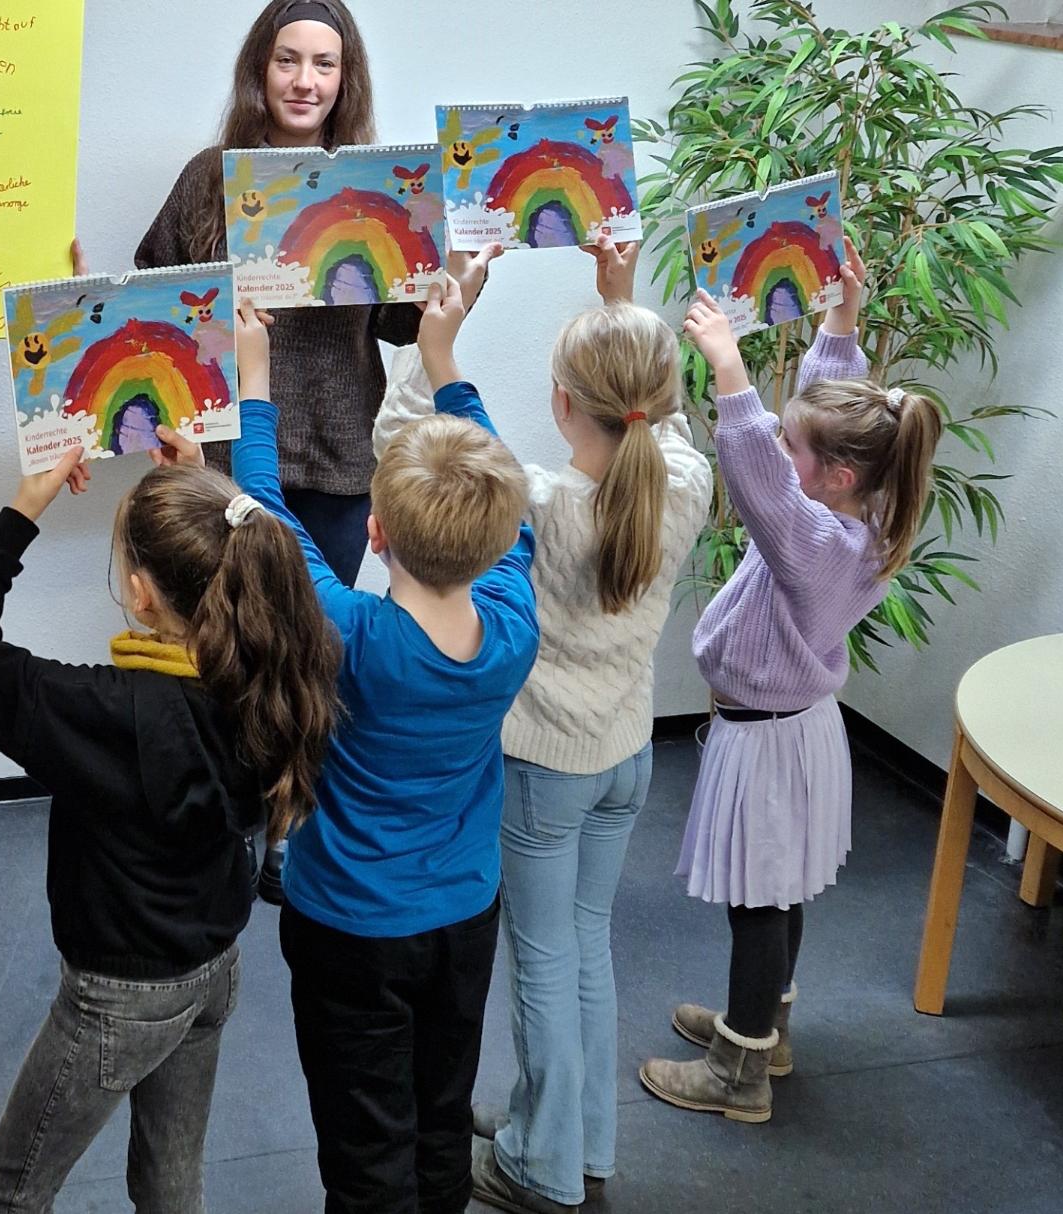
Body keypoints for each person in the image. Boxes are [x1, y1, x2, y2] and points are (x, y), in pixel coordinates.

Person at [376, 239, 714, 1213]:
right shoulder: (682, 478)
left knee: (539, 960)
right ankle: (575, 1135)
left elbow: (432, 444)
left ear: (565, 404)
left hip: (541, 766)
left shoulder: (543, 502)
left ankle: (539, 1165)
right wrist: (619, 294)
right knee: (586, 945)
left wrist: (439, 348)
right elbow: (665, 411)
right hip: (624, 754)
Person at [0, 439, 339, 1211]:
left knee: (5, 1193)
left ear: (139, 594)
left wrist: (22, 507)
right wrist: (194, 484)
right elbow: (240, 552)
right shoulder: (277, 668)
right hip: (211, 965)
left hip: (119, 995)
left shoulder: (110, 715)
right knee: (169, 1185)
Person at [236, 256, 540, 1214]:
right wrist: (444, 358)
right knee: (439, 1118)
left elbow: (263, 518)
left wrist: (253, 379)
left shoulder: (353, 638)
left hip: (352, 929)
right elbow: (502, 489)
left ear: (372, 532)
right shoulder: (511, 616)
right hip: (463, 917)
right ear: (498, 538)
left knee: (365, 1150)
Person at [640, 241, 943, 1124]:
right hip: (794, 728)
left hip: (768, 739)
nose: (780, 444)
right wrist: (838, 322)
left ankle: (737, 1075)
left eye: (793, 448)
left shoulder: (814, 541)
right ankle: (760, 1028)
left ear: (833, 478)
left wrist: (730, 372)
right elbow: (825, 424)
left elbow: (763, 484)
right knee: (781, 887)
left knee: (756, 903)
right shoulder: (868, 507)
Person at [133, 0, 417, 902]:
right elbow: (155, 297)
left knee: (304, 650)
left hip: (334, 461)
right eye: (287, 60)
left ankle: (286, 830)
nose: (303, 80)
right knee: (217, 645)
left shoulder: (373, 183)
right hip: (222, 456)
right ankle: (216, 817)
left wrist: (462, 273)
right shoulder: (207, 178)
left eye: (323, 65)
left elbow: (406, 321)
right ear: (260, 68)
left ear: (346, 79)